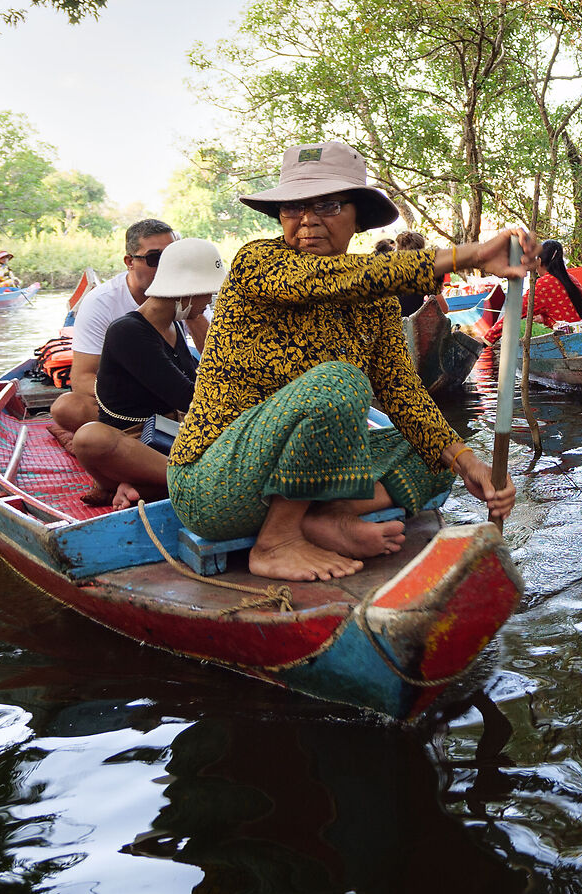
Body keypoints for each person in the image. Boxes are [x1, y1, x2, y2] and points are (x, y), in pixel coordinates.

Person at [165, 139, 528, 583]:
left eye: (329, 206)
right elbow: (323, 282)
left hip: (301, 481)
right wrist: (464, 255)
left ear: (358, 217)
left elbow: (402, 393)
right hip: (218, 483)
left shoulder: (373, 300)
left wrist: (470, 463)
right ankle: (277, 541)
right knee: (340, 382)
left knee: (433, 460)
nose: (307, 222)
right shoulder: (258, 263)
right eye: (293, 209)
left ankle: (323, 517)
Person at [65, 237, 230, 509]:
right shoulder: (128, 331)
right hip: (132, 440)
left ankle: (142, 488)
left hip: (171, 432)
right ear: (186, 291)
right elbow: (189, 397)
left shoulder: (174, 326)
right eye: (207, 293)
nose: (209, 301)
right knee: (91, 437)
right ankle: (191, 479)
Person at [51, 219, 200, 433]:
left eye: (173, 258)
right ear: (129, 261)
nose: (167, 268)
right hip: (133, 402)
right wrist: (137, 392)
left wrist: (192, 311)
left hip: (177, 396)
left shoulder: (190, 297)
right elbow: (82, 379)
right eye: (155, 259)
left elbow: (213, 352)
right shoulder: (101, 302)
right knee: (68, 407)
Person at [480, 236, 582, 344]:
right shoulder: (572, 279)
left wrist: (487, 339)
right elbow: (568, 313)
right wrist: (544, 318)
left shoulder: (543, 285)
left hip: (567, 341)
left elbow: (515, 312)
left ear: (539, 261)